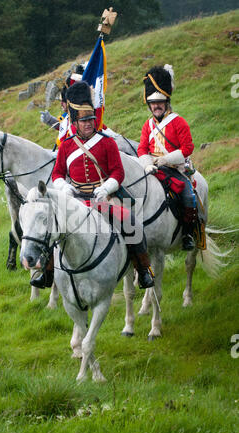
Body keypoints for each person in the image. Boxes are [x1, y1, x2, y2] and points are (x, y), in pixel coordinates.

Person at [31, 81, 155, 289]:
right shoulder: (66, 146)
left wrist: (106, 188)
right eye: (84, 120)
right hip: (75, 199)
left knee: (130, 222)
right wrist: (63, 187)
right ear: (75, 122)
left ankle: (143, 271)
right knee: (53, 226)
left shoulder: (107, 142)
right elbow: (57, 173)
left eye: (91, 119)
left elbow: (118, 172)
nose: (89, 123)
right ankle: (48, 273)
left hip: (103, 197)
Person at [137, 64, 197, 251]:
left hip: (174, 168)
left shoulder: (179, 121)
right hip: (152, 169)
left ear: (166, 101)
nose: (156, 106)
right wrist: (147, 164)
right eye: (153, 103)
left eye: (160, 102)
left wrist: (165, 159)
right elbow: (141, 149)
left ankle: (188, 234)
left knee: (188, 195)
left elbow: (188, 147)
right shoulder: (147, 125)